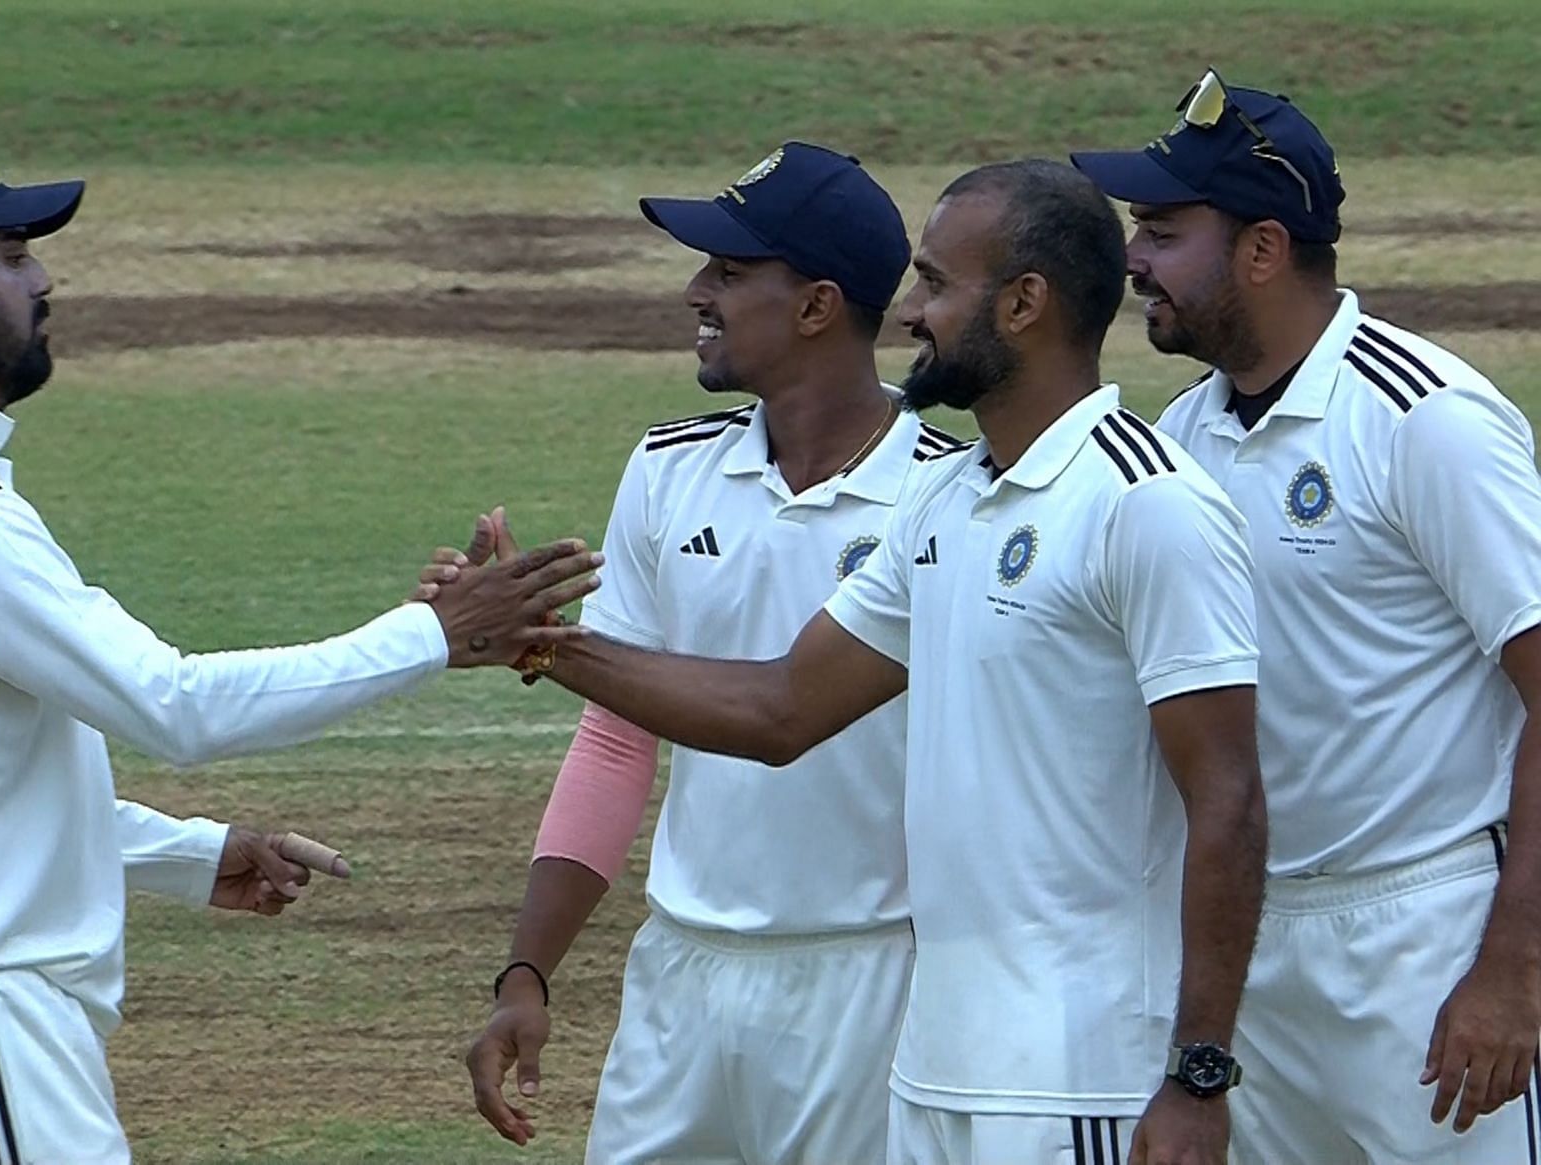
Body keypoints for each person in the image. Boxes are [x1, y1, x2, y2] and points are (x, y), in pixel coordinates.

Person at [434, 158, 1267, 1165]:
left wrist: (1198, 1073)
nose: (910, 312)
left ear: (1024, 303)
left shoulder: (1150, 503)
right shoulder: (952, 502)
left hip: (1078, 1068)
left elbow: (1228, 798)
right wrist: (537, 643)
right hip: (937, 1069)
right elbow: (783, 708)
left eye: (934, 285)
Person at [0, 133, 598, 1165]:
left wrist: (187, 854)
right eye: (11, 254)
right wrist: (432, 636)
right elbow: (173, 705)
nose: (43, 279)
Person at [1074, 71, 1541, 1164]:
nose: (1133, 257)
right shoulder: (1181, 435)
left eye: (1164, 230)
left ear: (1263, 249)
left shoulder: (1428, 421)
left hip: (1425, 948)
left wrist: (1515, 964)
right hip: (1247, 952)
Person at [458, 142, 947, 1162]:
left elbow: (783, 717)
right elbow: (615, 744)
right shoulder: (669, 470)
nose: (697, 291)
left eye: (729, 272)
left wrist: (541, 642)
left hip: (872, 983)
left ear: (816, 305)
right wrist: (527, 973)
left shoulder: (949, 495)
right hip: (678, 978)